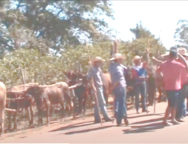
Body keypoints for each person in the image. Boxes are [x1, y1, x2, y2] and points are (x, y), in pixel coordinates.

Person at [157, 47, 187, 125]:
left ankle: (173, 119)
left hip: (168, 86)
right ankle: (165, 120)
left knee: (174, 104)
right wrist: (181, 56)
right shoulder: (177, 64)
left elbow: (158, 71)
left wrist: (162, 78)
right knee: (171, 104)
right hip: (175, 86)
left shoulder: (163, 64)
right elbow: (186, 66)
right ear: (175, 56)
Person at [87, 56, 112, 123]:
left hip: (100, 86)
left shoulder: (99, 69)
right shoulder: (92, 69)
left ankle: (97, 118)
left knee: (97, 103)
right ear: (96, 62)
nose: (100, 63)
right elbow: (90, 78)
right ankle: (106, 117)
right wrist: (93, 87)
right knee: (102, 102)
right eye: (99, 62)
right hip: (96, 87)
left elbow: (101, 77)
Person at [109, 53, 129, 126]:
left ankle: (125, 117)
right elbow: (118, 79)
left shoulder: (112, 66)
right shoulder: (117, 68)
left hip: (117, 86)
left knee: (121, 102)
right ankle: (119, 120)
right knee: (121, 103)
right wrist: (113, 87)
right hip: (120, 86)